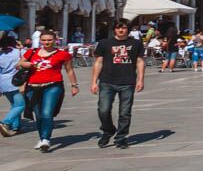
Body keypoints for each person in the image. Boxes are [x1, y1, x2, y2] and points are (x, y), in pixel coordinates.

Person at [6, 29, 78, 151]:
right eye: (44, 40)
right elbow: (18, 65)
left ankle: (46, 139)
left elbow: (69, 70)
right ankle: (42, 137)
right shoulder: (31, 52)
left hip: (53, 85)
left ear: (55, 40)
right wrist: (25, 64)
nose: (46, 42)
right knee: (38, 115)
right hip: (32, 87)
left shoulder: (63, 54)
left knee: (46, 113)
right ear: (40, 40)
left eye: (49, 40)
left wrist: (74, 85)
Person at [91, 18, 146, 149]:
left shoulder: (136, 43)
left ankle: (121, 137)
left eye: (124, 28)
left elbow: (140, 61)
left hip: (127, 81)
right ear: (114, 29)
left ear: (128, 29)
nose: (121, 30)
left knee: (125, 112)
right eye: (118, 28)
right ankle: (108, 129)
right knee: (103, 109)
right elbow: (98, 62)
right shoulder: (104, 43)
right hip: (106, 81)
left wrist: (140, 79)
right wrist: (94, 81)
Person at [0, 34, 21, 136]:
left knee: (14, 105)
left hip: (3, 82)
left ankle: (16, 126)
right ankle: (5, 122)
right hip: (16, 81)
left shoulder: (0, 54)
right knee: (21, 105)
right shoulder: (19, 52)